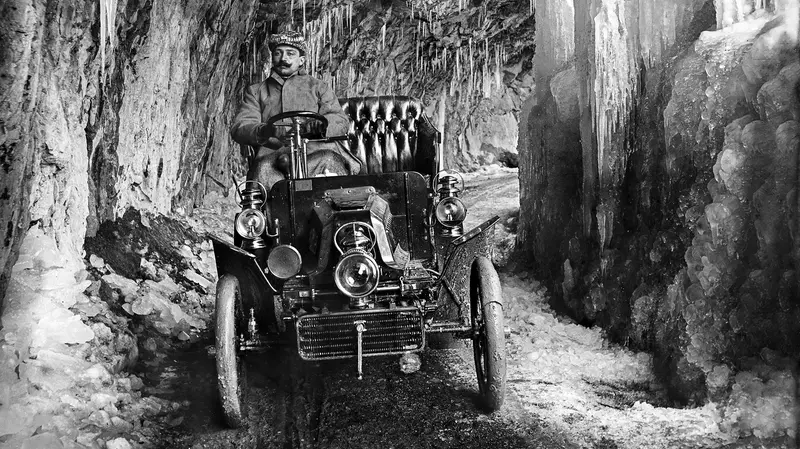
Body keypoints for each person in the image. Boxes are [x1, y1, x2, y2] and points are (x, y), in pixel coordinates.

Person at [230, 31, 359, 189]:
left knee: (329, 160)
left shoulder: (319, 87)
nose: (283, 58)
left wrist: (321, 126)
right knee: (263, 169)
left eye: (290, 53)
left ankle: (337, 203)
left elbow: (340, 120)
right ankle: (265, 205)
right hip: (272, 155)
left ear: (301, 60)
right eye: (278, 53)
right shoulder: (256, 91)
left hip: (315, 151)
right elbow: (240, 126)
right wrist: (265, 130)